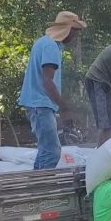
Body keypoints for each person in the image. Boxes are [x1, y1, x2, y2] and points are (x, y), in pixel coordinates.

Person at [18, 11, 87, 170]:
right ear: (67, 29)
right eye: (75, 31)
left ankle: (37, 186)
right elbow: (48, 82)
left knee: (45, 150)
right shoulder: (51, 47)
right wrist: (65, 107)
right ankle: (42, 189)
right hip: (40, 104)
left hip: (39, 103)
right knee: (52, 152)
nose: (76, 35)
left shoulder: (45, 42)